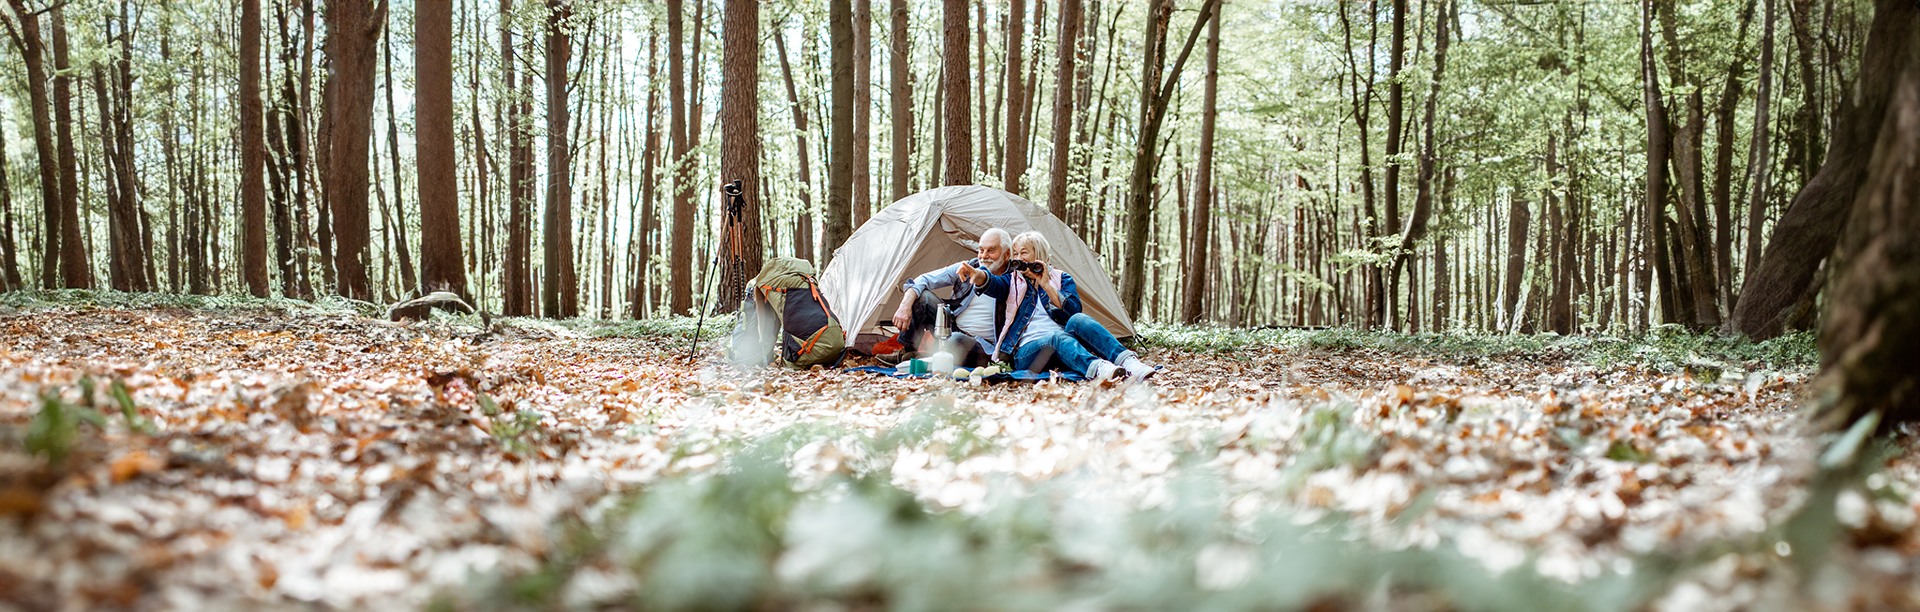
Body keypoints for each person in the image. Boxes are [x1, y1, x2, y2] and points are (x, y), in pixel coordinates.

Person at [959, 231, 1154, 383]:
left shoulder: (1061, 278)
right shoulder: (1012, 281)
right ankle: (1098, 368)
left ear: (1039, 255)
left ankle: (1129, 362)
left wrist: (1046, 285)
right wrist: (978, 275)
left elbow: (1073, 312)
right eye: (1016, 254)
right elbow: (992, 283)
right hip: (1027, 352)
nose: (1018, 258)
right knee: (1056, 337)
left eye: (1024, 252)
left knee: (1078, 320)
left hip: (1063, 345)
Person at [878, 228, 1013, 367]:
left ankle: (930, 356)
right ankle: (907, 353)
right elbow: (923, 280)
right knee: (922, 297)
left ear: (1007, 254)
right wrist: (904, 306)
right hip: (952, 329)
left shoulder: (1015, 281)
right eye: (981, 250)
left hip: (984, 346)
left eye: (991, 250)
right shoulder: (968, 267)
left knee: (954, 341)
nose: (984, 256)